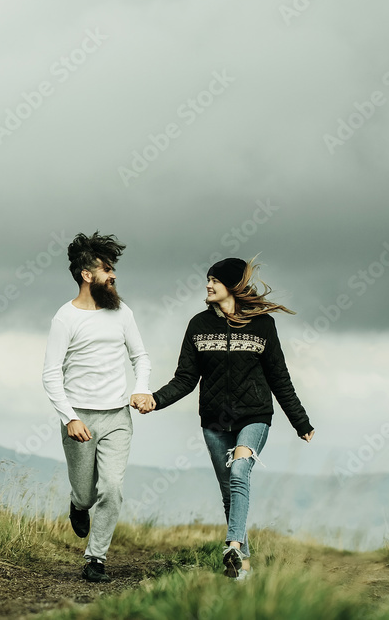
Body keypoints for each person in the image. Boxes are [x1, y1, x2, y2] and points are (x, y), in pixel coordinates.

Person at [131, 257, 314, 581]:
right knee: (230, 490)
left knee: (240, 471)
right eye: (208, 279)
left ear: (232, 285)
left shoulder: (262, 326)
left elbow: (279, 378)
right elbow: (186, 378)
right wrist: (155, 400)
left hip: (254, 416)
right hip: (215, 422)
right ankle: (242, 566)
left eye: (214, 280)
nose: (207, 285)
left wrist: (301, 422)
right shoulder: (199, 325)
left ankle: (231, 545)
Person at [41, 231, 152, 583]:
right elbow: (49, 375)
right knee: (87, 493)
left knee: (112, 488)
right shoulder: (65, 318)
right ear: (87, 275)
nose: (113, 275)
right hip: (80, 418)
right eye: (107, 269)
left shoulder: (122, 313)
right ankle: (77, 503)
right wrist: (70, 418)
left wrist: (141, 388)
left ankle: (96, 559)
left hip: (118, 416)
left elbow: (141, 357)